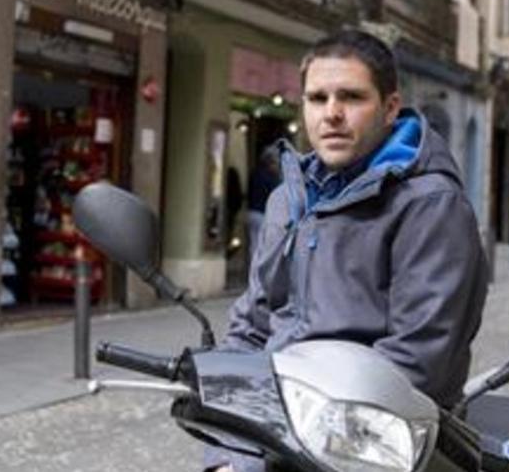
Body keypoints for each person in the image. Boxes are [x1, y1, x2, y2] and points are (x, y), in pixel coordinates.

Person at [206, 30, 488, 472]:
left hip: (377, 441)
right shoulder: (289, 198)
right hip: (282, 430)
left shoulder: (429, 203)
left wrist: (312, 435)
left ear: (390, 107)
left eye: (351, 97)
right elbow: (253, 326)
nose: (332, 114)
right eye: (317, 98)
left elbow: (421, 358)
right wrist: (230, 448)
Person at [245, 147, 280, 256]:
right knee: (266, 245)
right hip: (263, 214)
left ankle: (253, 269)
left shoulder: (254, 173)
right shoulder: (272, 178)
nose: (277, 166)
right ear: (270, 162)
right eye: (275, 162)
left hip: (251, 213)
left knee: (254, 244)